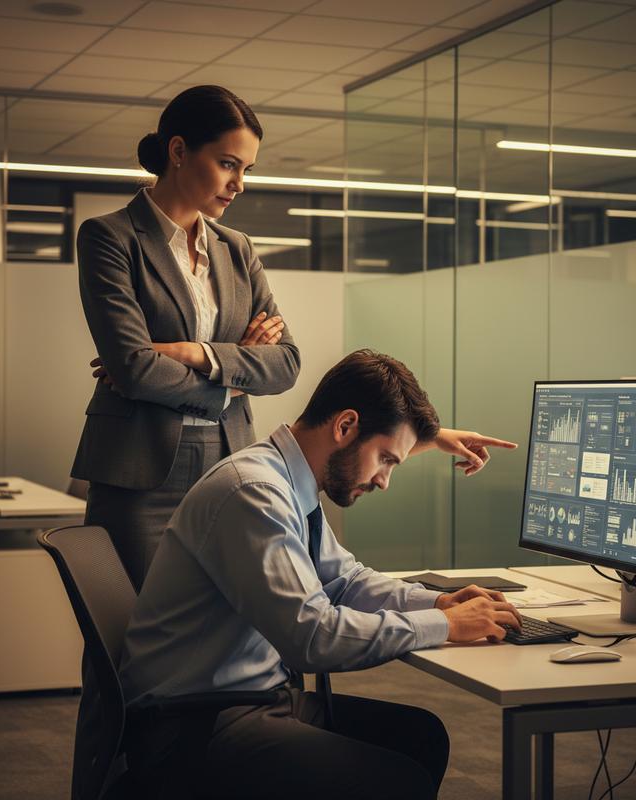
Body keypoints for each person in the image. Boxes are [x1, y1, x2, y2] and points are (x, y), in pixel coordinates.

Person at [119, 349, 520, 800]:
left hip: (252, 697)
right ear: (345, 426)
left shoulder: (290, 481)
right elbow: (311, 637)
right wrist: (443, 625)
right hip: (193, 724)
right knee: (397, 781)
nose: (384, 480)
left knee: (423, 737)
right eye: (385, 459)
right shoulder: (255, 492)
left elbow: (343, 580)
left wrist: (438, 602)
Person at [69, 85, 299, 800]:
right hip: (141, 476)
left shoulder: (238, 249)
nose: (239, 184)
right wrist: (233, 370)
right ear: (178, 151)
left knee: (220, 649)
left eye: (246, 170)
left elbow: (286, 364)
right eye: (229, 164)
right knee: (126, 661)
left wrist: (198, 354)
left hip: (228, 470)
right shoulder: (109, 237)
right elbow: (133, 367)